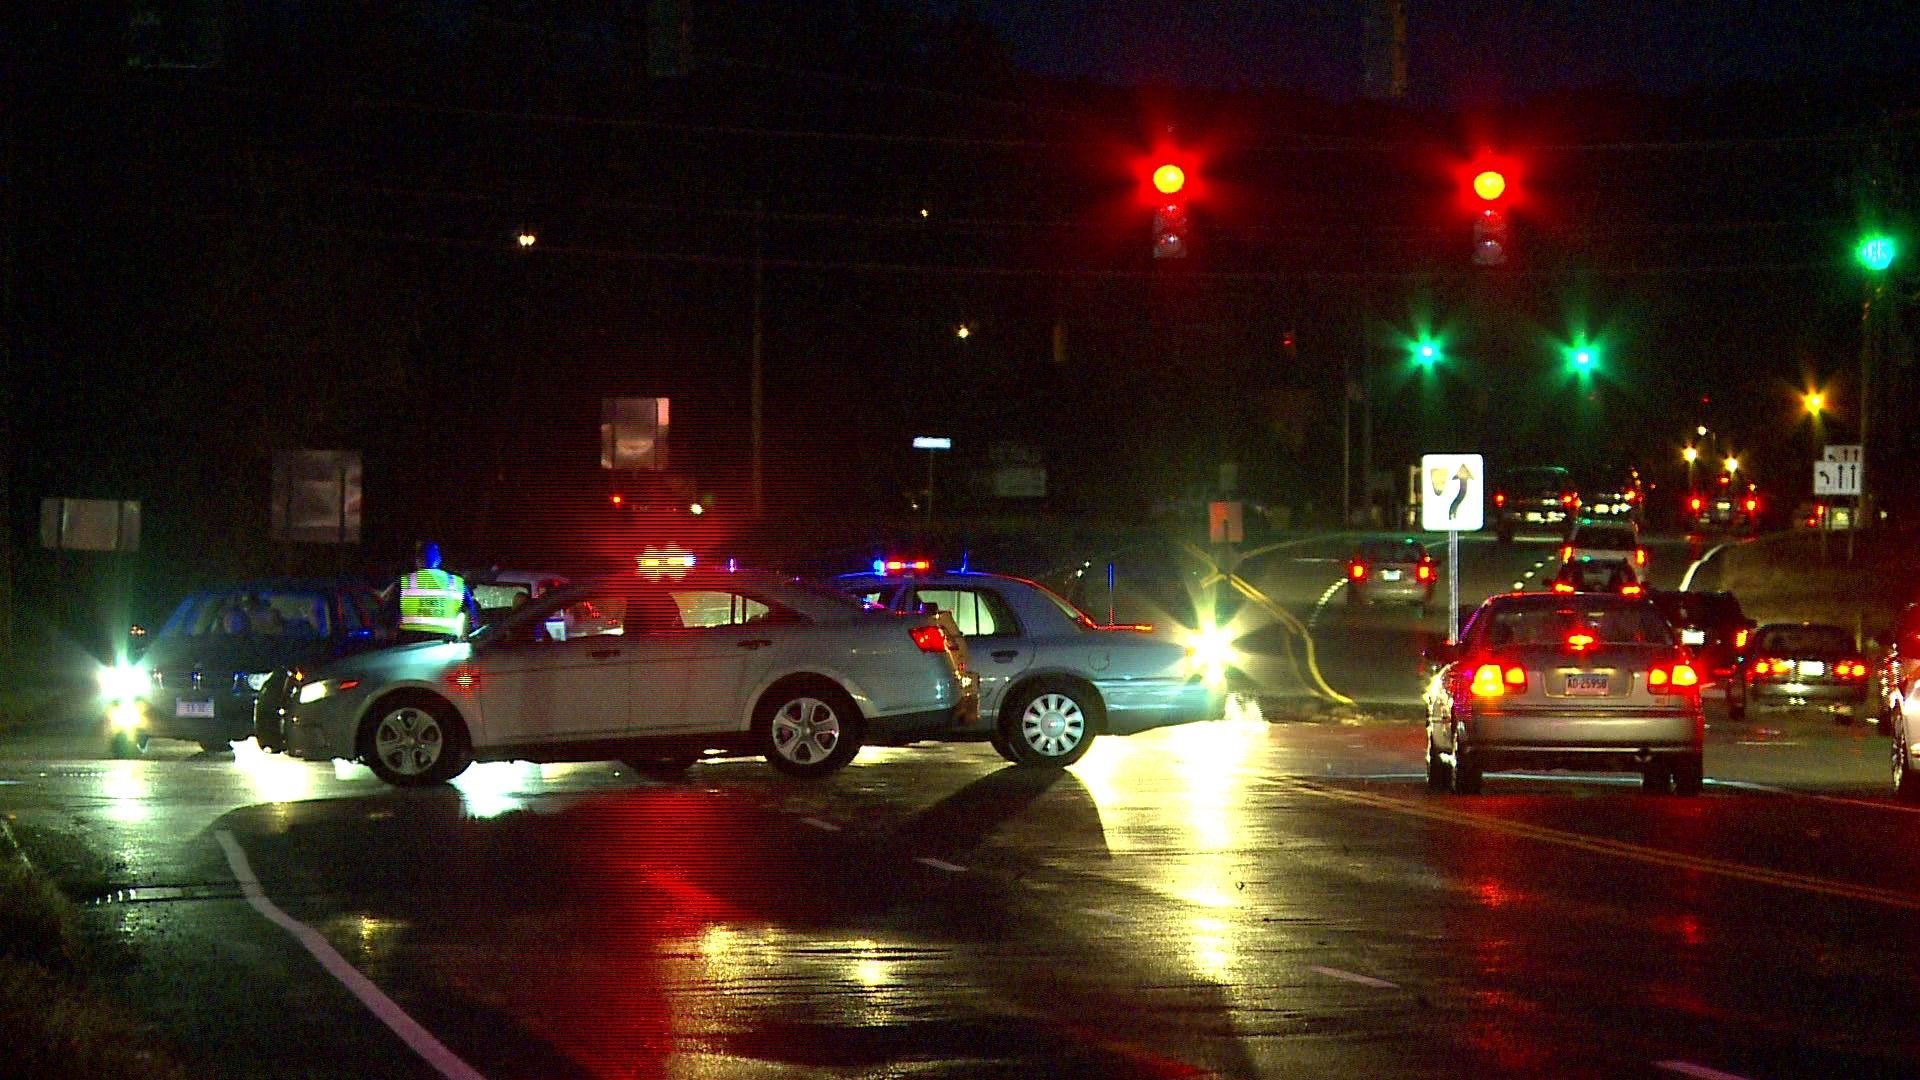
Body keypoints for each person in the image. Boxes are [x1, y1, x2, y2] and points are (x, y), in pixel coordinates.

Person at [387, 541, 481, 642]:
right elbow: (472, 614)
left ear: (417, 560)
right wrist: (464, 636)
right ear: (439, 559)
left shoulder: (404, 582)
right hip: (444, 642)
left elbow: (389, 615)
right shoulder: (456, 582)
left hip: (409, 641)